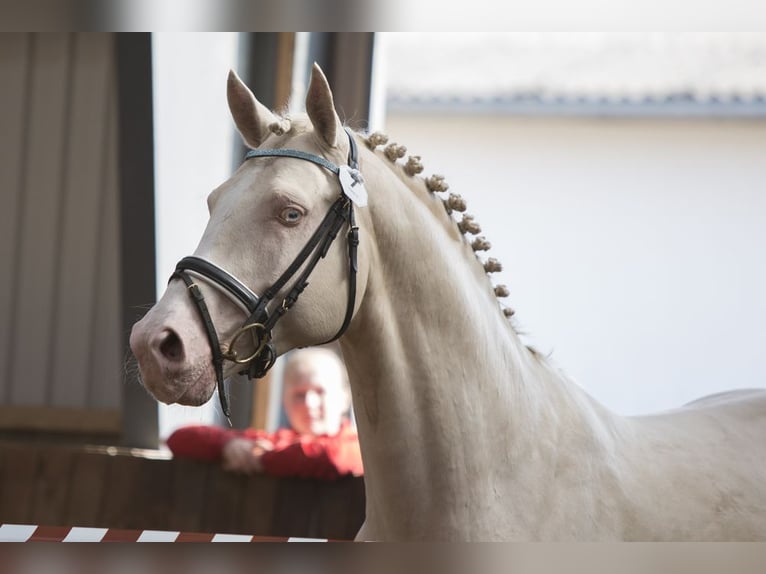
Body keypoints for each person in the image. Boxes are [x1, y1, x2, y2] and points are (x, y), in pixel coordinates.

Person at [166, 348, 363, 480]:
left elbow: (334, 458)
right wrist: (227, 445)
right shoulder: (273, 442)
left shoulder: (360, 447)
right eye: (299, 395)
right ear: (284, 401)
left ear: (345, 397)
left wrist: (262, 459)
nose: (309, 404)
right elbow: (179, 438)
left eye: (320, 392)